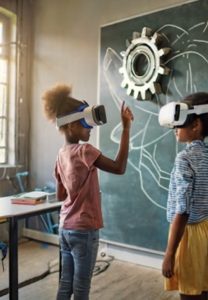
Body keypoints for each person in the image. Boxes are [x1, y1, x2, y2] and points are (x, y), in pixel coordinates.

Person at [42, 83, 134, 300]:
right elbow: (119, 167)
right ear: (72, 126)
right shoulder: (85, 150)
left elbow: (61, 196)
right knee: (82, 288)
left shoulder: (60, 155)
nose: (90, 129)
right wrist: (126, 128)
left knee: (65, 285)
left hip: (65, 228)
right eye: (86, 124)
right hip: (84, 230)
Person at [161, 86, 208, 300]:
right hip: (204, 230)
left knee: (189, 292)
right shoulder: (206, 156)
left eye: (179, 121)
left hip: (188, 234)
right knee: (200, 289)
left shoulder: (184, 159)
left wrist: (169, 254)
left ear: (195, 124)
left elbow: (182, 211)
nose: (175, 127)